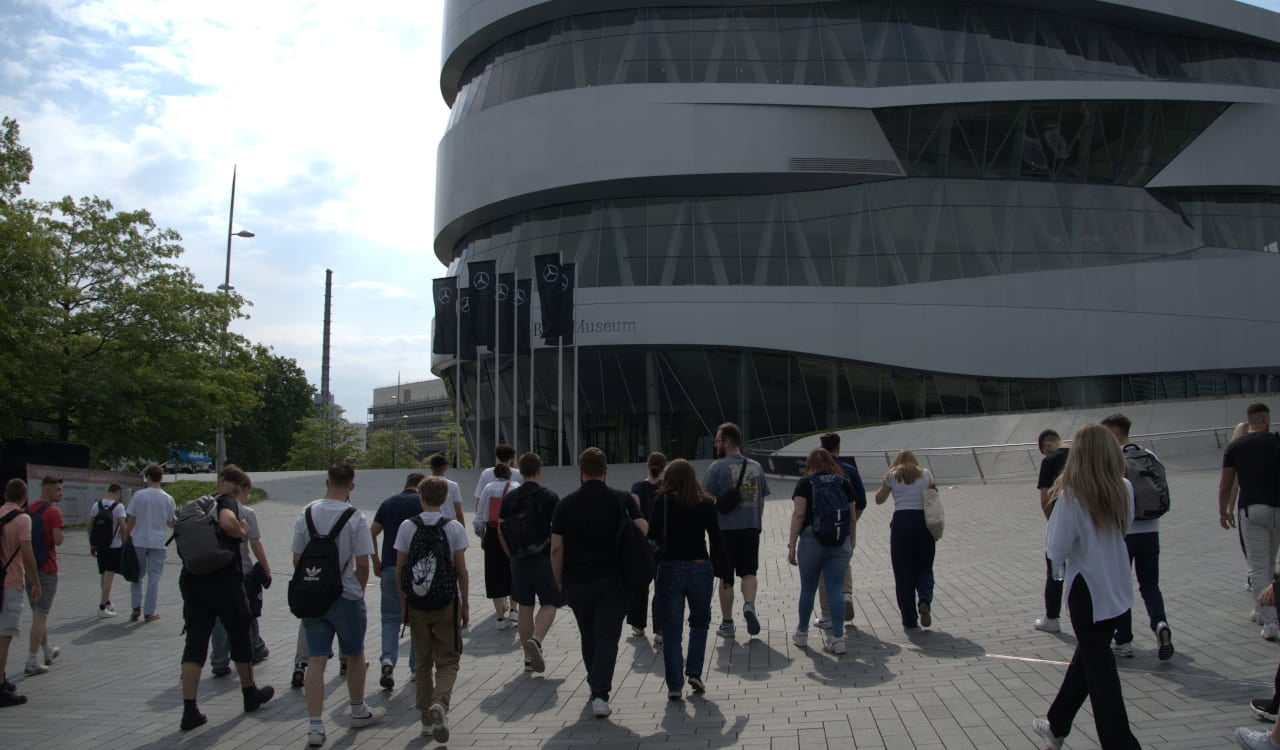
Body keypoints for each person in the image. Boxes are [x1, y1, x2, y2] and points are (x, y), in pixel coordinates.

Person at [1033, 423, 1141, 749]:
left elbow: (1056, 550)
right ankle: (1056, 724)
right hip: (1116, 590)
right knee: (1090, 660)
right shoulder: (1123, 487)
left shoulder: (1070, 495)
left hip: (1087, 593)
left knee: (1101, 675)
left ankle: (1120, 743)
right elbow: (1126, 526)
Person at [293, 463, 385, 746]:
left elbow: (297, 559)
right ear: (352, 486)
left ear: (326, 481)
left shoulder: (306, 513)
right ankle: (357, 709)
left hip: (313, 597)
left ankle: (315, 726)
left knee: (316, 661)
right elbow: (361, 562)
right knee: (355, 654)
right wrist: (356, 588)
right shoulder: (355, 517)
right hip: (345, 596)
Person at [551, 447, 647, 718]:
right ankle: (600, 692)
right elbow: (643, 529)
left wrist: (558, 582)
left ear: (580, 471)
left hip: (577, 580)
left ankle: (595, 684)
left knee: (588, 633)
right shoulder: (622, 499)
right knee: (607, 636)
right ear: (605, 470)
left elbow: (556, 548)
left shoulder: (565, 504)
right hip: (614, 579)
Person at [176, 465, 273, 731]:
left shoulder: (198, 504)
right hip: (223, 581)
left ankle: (189, 709)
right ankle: (249, 693)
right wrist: (241, 530)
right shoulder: (226, 501)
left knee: (195, 645)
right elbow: (228, 523)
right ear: (239, 487)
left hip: (193, 580)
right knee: (240, 635)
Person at [395, 476, 470, 743]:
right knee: (448, 660)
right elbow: (461, 570)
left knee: (423, 663)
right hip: (446, 601)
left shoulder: (407, 526)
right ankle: (441, 702)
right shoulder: (453, 527)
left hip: (417, 604)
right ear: (445, 498)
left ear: (421, 496)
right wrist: (465, 604)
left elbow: (400, 569)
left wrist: (404, 603)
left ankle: (426, 720)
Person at [648, 459, 730, 700]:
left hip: (670, 567)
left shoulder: (661, 500)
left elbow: (652, 536)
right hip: (699, 567)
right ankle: (694, 671)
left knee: (671, 629)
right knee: (700, 622)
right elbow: (716, 538)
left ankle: (674, 685)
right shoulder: (704, 502)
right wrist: (725, 572)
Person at [1100, 413, 1174, 661]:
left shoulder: (1111, 461)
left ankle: (1124, 641)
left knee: (1121, 586)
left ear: (1113, 432)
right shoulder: (1150, 456)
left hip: (1123, 533)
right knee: (1150, 585)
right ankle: (1160, 623)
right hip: (1151, 531)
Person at [701, 423, 770, 640]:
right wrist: (755, 522)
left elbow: (705, 500)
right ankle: (749, 605)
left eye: (718, 441)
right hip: (750, 528)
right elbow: (762, 501)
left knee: (725, 576)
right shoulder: (757, 467)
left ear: (728, 442)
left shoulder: (716, 468)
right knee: (749, 572)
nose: (716, 445)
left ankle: (728, 623)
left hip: (724, 531)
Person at [1219, 402, 1280, 640]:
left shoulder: (1236, 446)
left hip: (1253, 510)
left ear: (1250, 420)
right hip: (1278, 509)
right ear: (1265, 420)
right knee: (1269, 562)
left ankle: (1270, 621)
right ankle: (1261, 608)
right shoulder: (1276, 441)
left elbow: (1225, 485)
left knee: (1257, 567)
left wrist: (1223, 511)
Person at [789, 448, 859, 655]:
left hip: (811, 540)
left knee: (808, 589)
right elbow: (852, 516)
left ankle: (802, 634)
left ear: (809, 463)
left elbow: (798, 514)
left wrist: (792, 545)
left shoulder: (805, 483)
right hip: (839, 541)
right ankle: (838, 639)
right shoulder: (843, 482)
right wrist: (851, 542)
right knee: (835, 590)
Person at [498, 452, 562, 673]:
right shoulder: (549, 496)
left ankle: (527, 657)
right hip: (542, 558)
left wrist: (510, 554)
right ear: (539, 470)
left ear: (521, 470)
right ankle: (536, 639)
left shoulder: (509, 498)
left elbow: (500, 529)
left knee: (525, 606)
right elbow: (558, 532)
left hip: (517, 559)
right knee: (550, 602)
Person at [370, 472, 428, 691]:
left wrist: (376, 559)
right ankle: (415, 668)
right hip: (417, 570)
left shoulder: (388, 502)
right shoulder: (422, 503)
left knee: (390, 618)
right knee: (417, 619)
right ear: (421, 486)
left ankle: (387, 660)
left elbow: (372, 532)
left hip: (389, 567)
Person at [211, 473, 271, 676]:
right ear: (242, 489)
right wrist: (266, 568)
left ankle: (219, 660)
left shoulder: (207, 507)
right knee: (247, 613)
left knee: (219, 617)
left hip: (211, 570)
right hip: (240, 570)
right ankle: (253, 649)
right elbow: (255, 543)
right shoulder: (246, 512)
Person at [874, 450, 938, 631]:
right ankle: (924, 599)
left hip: (900, 523)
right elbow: (934, 493)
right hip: (922, 523)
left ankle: (909, 619)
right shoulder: (925, 473)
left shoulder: (892, 475)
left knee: (903, 572)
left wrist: (887, 484)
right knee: (925, 566)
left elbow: (879, 499)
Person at [814, 433, 865, 630]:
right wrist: (851, 522)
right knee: (843, 559)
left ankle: (826, 614)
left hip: (822, 527)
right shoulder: (849, 470)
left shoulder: (815, 471)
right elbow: (862, 501)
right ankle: (846, 594)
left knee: (822, 568)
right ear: (838, 448)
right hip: (844, 523)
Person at [0, 479, 40, 707]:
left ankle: (3, 678)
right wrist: (35, 581)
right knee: (4, 637)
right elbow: (26, 552)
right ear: (25, 497)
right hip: (11, 581)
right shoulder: (22, 519)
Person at [24, 476, 64, 676]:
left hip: (29, 568)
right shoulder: (53, 512)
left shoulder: (29, 510)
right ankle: (31, 660)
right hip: (47, 568)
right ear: (48, 490)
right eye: (58, 490)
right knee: (41, 615)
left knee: (38, 613)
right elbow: (58, 540)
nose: (61, 493)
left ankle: (47, 650)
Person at [126, 464, 176, 622]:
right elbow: (170, 523)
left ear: (147, 477)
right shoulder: (167, 498)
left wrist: (126, 537)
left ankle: (135, 607)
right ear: (161, 478)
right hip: (158, 542)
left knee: (137, 575)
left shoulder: (138, 495)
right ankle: (149, 612)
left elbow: (131, 519)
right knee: (154, 578)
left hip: (138, 540)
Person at [628, 452, 666, 641]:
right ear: (664, 467)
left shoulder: (637, 487)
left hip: (642, 542)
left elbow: (634, 515)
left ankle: (638, 624)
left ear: (647, 465)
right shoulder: (667, 488)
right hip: (663, 541)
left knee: (640, 584)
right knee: (661, 585)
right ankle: (660, 630)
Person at [1034, 429, 1070, 633]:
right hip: (1085, 526)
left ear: (1047, 446)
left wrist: (1053, 524)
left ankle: (1052, 618)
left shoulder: (1049, 462)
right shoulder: (1080, 455)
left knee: (1056, 573)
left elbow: (1045, 499)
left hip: (1059, 524)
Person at [475, 463, 519, 628]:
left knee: (494, 573)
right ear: (509, 474)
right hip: (512, 533)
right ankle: (514, 610)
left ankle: (500, 617)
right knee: (513, 570)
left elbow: (480, 515)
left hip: (493, 534)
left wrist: (481, 536)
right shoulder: (516, 487)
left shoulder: (488, 488)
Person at [89, 484, 128, 618]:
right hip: (114, 546)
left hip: (100, 545)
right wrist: (125, 543)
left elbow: (90, 526)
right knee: (109, 577)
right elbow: (123, 527)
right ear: (118, 492)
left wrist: (92, 544)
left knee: (103, 574)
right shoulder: (119, 507)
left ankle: (107, 602)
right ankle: (102, 607)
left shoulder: (96, 505)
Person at [427, 454, 466, 525]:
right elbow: (458, 511)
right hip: (449, 524)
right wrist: (462, 529)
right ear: (445, 467)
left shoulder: (424, 485)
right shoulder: (453, 485)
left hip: (429, 525)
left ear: (431, 467)